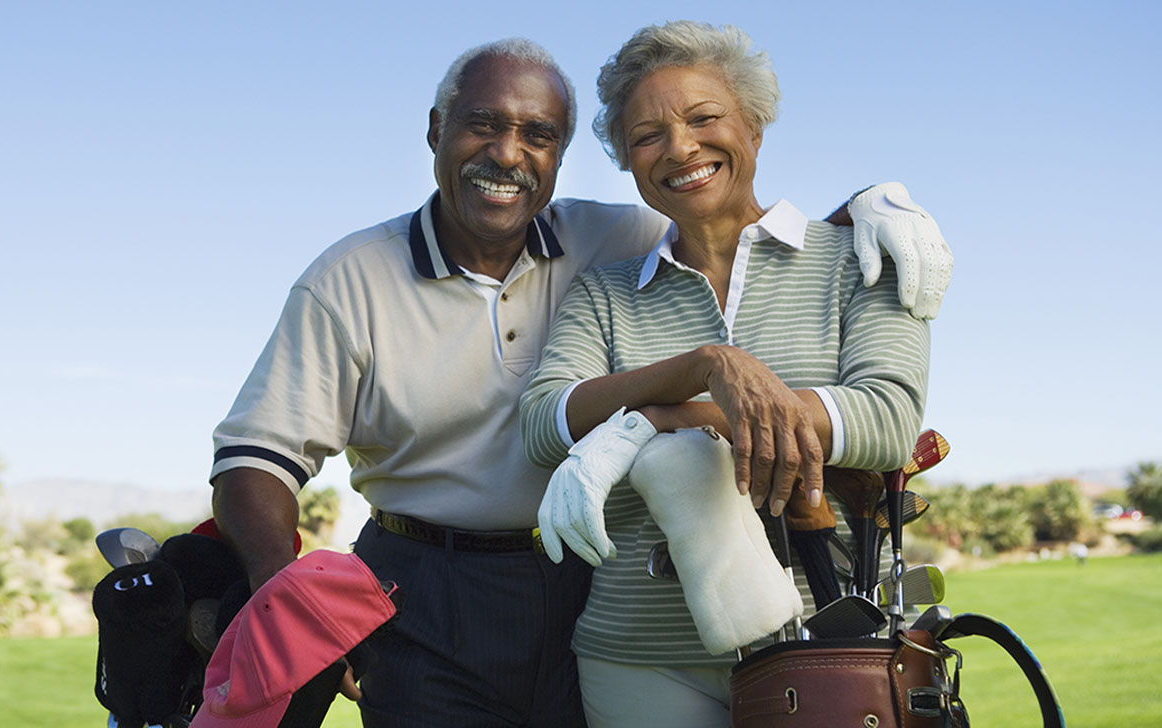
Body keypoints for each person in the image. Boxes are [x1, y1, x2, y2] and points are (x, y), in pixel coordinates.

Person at [209, 37, 951, 727]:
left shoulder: (613, 239)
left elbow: (739, 225)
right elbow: (257, 455)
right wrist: (286, 602)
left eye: (538, 135)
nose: (507, 154)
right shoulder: (355, 277)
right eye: (481, 125)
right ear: (435, 130)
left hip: (576, 574)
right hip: (423, 586)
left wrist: (874, 201)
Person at [519, 21, 933, 727]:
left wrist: (656, 419)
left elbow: (886, 420)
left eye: (704, 118)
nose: (679, 147)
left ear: (754, 126)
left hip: (828, 644)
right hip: (637, 655)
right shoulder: (604, 293)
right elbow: (544, 422)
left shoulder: (857, 258)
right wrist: (706, 369)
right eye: (646, 135)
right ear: (626, 159)